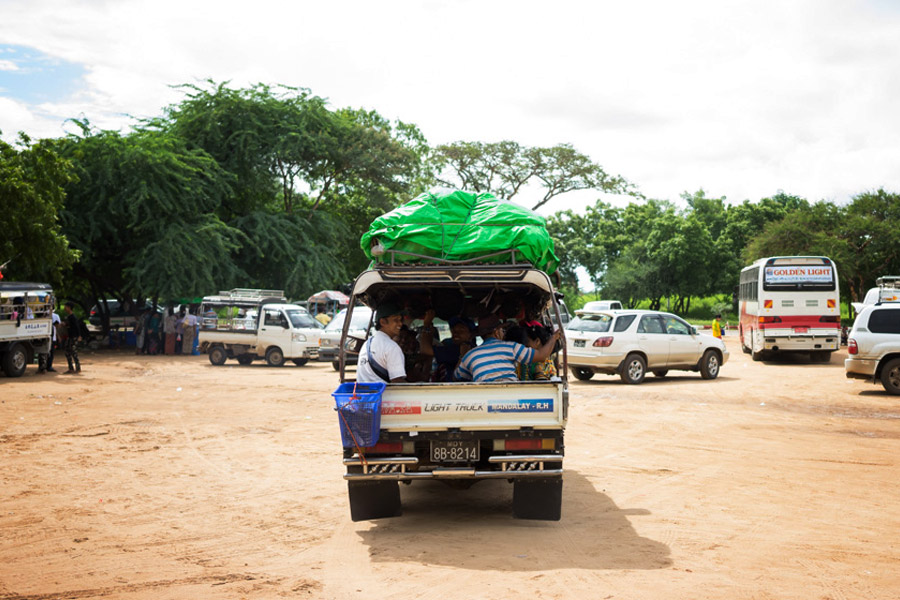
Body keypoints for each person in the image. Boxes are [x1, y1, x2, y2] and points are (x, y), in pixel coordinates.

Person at [454, 314, 559, 383]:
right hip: (511, 397)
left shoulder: (470, 355)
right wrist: (554, 337)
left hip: (483, 400)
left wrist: (462, 355)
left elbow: (456, 376)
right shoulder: (511, 347)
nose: (503, 333)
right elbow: (541, 356)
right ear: (496, 332)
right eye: (502, 330)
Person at [419, 310, 476, 381]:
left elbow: (425, 350)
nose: (455, 333)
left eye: (461, 330)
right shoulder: (471, 348)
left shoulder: (457, 350)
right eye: (453, 330)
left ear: (471, 334)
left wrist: (427, 324)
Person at [357, 302, 407, 383]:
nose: (400, 323)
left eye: (400, 320)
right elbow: (397, 381)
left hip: (364, 394)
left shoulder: (367, 343)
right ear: (383, 322)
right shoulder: (392, 347)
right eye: (396, 320)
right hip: (384, 395)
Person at [63, 302, 82, 374]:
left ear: (69, 307)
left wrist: (79, 336)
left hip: (73, 337)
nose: (65, 308)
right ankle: (71, 368)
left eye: (66, 307)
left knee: (73, 352)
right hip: (69, 336)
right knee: (67, 351)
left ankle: (78, 368)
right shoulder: (69, 317)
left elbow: (77, 327)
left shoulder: (73, 317)